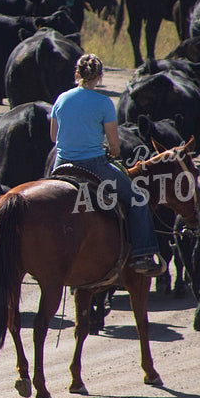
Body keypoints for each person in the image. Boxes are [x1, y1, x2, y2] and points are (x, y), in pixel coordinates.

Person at [48, 54, 165, 276]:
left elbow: (54, 137)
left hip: (61, 164)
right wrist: (112, 152)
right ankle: (143, 255)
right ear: (100, 77)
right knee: (138, 200)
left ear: (77, 74)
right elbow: (114, 145)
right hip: (93, 165)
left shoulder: (61, 99)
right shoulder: (104, 103)